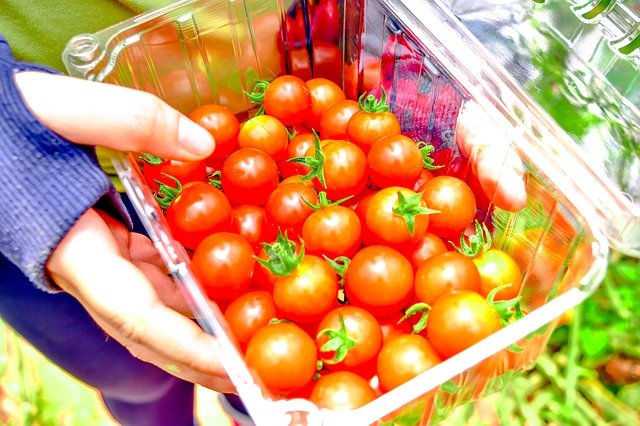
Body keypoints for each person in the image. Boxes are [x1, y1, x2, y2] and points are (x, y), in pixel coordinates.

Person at [0, 2, 529, 426]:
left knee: (258, 392)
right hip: (39, 191)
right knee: (128, 375)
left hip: (282, 98)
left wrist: (465, 53)